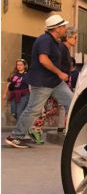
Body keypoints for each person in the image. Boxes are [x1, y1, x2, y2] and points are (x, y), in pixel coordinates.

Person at [5, 14, 74, 148]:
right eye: (63, 26)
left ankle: (77, 132)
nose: (66, 28)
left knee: (72, 102)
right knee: (33, 110)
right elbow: (43, 60)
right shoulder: (45, 40)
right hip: (42, 82)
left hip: (54, 82)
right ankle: (15, 136)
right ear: (56, 28)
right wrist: (60, 73)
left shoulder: (54, 41)